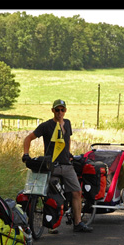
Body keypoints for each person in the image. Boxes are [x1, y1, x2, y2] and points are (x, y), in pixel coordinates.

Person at [22, 99, 93, 233]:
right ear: (52, 110)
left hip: (66, 165)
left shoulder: (68, 124)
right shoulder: (46, 126)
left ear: (65, 111)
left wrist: (68, 152)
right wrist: (26, 154)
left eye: (62, 110)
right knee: (50, 195)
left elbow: (68, 139)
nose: (60, 112)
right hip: (51, 166)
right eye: (57, 110)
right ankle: (50, 225)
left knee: (77, 192)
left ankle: (78, 223)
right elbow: (28, 138)